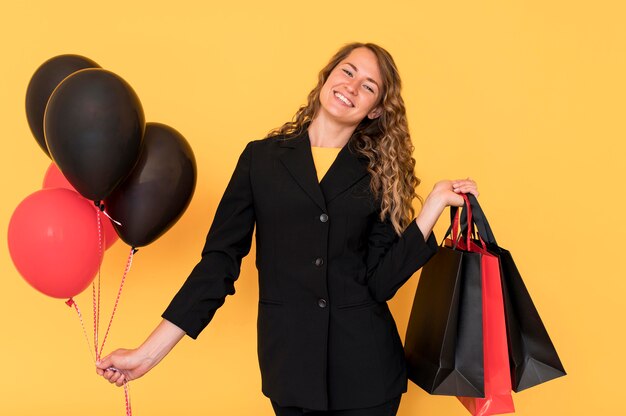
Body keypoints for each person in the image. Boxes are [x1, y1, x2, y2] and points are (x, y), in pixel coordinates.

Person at [96, 42, 479, 416]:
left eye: (368, 86)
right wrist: (147, 354)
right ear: (327, 76)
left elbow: (379, 285)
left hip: (368, 374)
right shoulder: (260, 160)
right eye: (347, 71)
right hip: (290, 372)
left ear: (376, 110)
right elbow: (218, 266)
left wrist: (430, 211)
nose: (351, 86)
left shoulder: (378, 177)